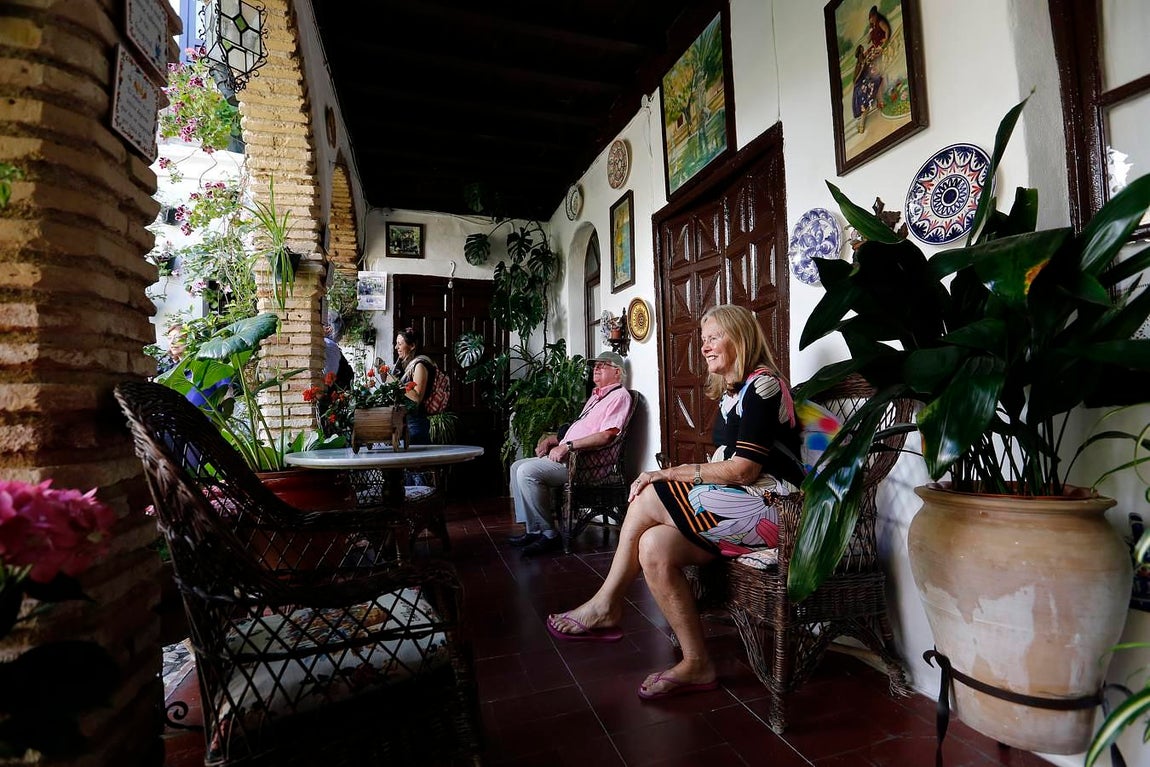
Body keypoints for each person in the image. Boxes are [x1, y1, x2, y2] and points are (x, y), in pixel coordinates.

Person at [546, 305, 804, 701]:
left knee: (651, 491)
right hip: (743, 505)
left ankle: (606, 604)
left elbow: (744, 470)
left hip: (776, 507)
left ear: (741, 337)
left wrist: (668, 472)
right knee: (654, 547)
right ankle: (697, 662)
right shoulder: (733, 392)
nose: (704, 346)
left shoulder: (764, 385)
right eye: (703, 339)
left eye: (714, 336)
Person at [507, 350, 632, 556]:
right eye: (595, 365)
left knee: (527, 472)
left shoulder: (619, 396)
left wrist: (568, 446)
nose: (596, 368)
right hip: (569, 457)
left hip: (584, 465)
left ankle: (549, 535)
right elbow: (582, 427)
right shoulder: (596, 397)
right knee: (516, 467)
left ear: (617, 373)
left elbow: (607, 436)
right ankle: (533, 530)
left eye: (603, 365)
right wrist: (555, 439)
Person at [389, 326, 435, 445]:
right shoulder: (405, 366)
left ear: (412, 346)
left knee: (417, 461)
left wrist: (394, 382)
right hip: (405, 421)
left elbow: (417, 398)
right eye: (396, 344)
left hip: (416, 423)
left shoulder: (420, 365)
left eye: (400, 344)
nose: (396, 347)